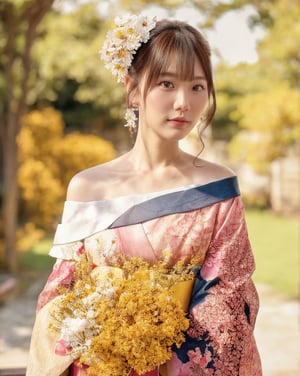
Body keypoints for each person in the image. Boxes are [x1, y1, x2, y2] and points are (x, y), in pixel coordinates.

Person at [26, 14, 262, 376]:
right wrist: (105, 337)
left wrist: (155, 334)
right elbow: (60, 295)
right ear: (132, 88)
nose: (184, 102)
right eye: (167, 83)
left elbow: (229, 295)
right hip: (97, 363)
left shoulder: (218, 189)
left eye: (197, 87)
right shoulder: (88, 186)